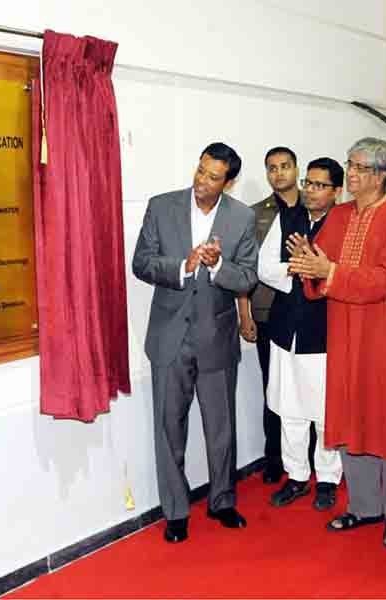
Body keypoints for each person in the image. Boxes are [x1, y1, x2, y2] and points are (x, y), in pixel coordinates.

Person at [288, 137, 386, 548]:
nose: (352, 173)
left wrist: (329, 270)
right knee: (348, 413)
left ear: (381, 176)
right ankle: (364, 506)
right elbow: (318, 268)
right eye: (351, 165)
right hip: (342, 329)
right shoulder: (340, 215)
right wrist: (308, 263)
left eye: (359, 167)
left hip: (384, 331)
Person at [132, 142, 258, 543]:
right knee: (170, 427)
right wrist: (182, 266)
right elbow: (141, 262)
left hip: (216, 337)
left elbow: (247, 279)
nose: (202, 182)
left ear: (229, 182)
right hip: (169, 337)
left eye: (213, 177)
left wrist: (218, 265)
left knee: (221, 429)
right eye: (200, 171)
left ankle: (222, 500)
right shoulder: (161, 206)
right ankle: (175, 510)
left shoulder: (242, 218)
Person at [258, 157, 344, 510]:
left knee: (324, 411)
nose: (310, 190)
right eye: (309, 183)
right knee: (288, 407)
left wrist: (315, 267)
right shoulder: (288, 218)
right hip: (285, 328)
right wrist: (301, 267)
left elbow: (345, 273)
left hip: (324, 330)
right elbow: (264, 268)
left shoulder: (344, 224)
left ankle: (327, 479)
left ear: (336, 191)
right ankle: (296, 476)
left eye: (320, 185)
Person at [239, 146, 303, 485]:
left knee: (309, 386)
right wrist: (244, 314)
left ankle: (310, 455)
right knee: (273, 386)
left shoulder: (318, 205)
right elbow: (245, 270)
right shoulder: (255, 214)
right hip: (267, 311)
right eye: (272, 168)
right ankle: (275, 456)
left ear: (296, 169)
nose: (279, 173)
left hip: (311, 312)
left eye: (285, 166)